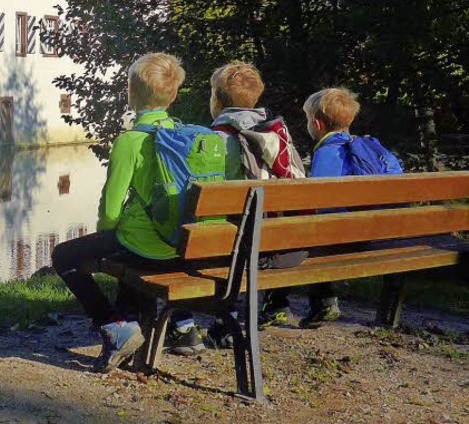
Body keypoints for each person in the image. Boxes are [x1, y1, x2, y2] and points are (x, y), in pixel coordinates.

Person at [52, 53, 204, 373]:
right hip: (182, 246)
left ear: (131, 94)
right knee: (130, 246)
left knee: (64, 255)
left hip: (144, 246)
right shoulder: (191, 138)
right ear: (174, 95)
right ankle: (130, 323)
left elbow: (110, 211)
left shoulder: (129, 141)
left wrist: (111, 232)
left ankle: (114, 325)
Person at [205, 62, 306, 346]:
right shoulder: (278, 135)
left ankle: (227, 319)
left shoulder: (218, 140)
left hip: (241, 252)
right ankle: (276, 304)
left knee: (219, 229)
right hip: (289, 248)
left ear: (216, 99)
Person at [300, 87, 404, 327]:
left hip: (345, 237)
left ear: (316, 125)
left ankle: (323, 302)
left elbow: (322, 206)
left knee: (306, 234)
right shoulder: (374, 147)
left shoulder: (327, 152)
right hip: (386, 233)